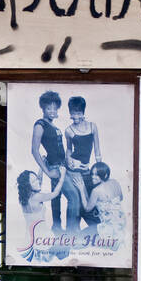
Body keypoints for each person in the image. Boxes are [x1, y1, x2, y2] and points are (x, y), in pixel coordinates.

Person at [30, 90, 82, 233]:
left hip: (63, 166)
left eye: (54, 108)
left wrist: (68, 161)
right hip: (55, 167)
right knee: (74, 197)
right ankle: (71, 233)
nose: (52, 111)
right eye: (49, 108)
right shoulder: (40, 125)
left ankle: (57, 228)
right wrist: (47, 171)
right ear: (43, 108)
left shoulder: (52, 125)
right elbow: (34, 150)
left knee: (57, 198)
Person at [15, 166, 68, 261]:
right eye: (34, 181)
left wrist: (41, 168)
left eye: (36, 179)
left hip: (30, 239)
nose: (38, 182)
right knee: (67, 250)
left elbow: (39, 182)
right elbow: (55, 193)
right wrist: (63, 176)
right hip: (42, 241)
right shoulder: (37, 197)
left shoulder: (23, 198)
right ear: (28, 186)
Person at [64, 95, 103, 214]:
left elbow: (97, 149)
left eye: (78, 113)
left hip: (86, 168)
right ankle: (74, 229)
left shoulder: (92, 126)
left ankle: (97, 227)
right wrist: (68, 159)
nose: (75, 116)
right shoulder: (69, 130)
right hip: (73, 169)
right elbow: (69, 149)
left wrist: (100, 168)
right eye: (73, 113)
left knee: (93, 197)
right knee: (82, 199)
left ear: (83, 112)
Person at [83, 161, 124, 238]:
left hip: (109, 228)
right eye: (92, 174)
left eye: (97, 175)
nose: (93, 177)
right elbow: (121, 198)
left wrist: (81, 188)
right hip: (121, 224)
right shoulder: (115, 182)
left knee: (77, 237)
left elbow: (87, 208)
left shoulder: (96, 190)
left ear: (105, 175)